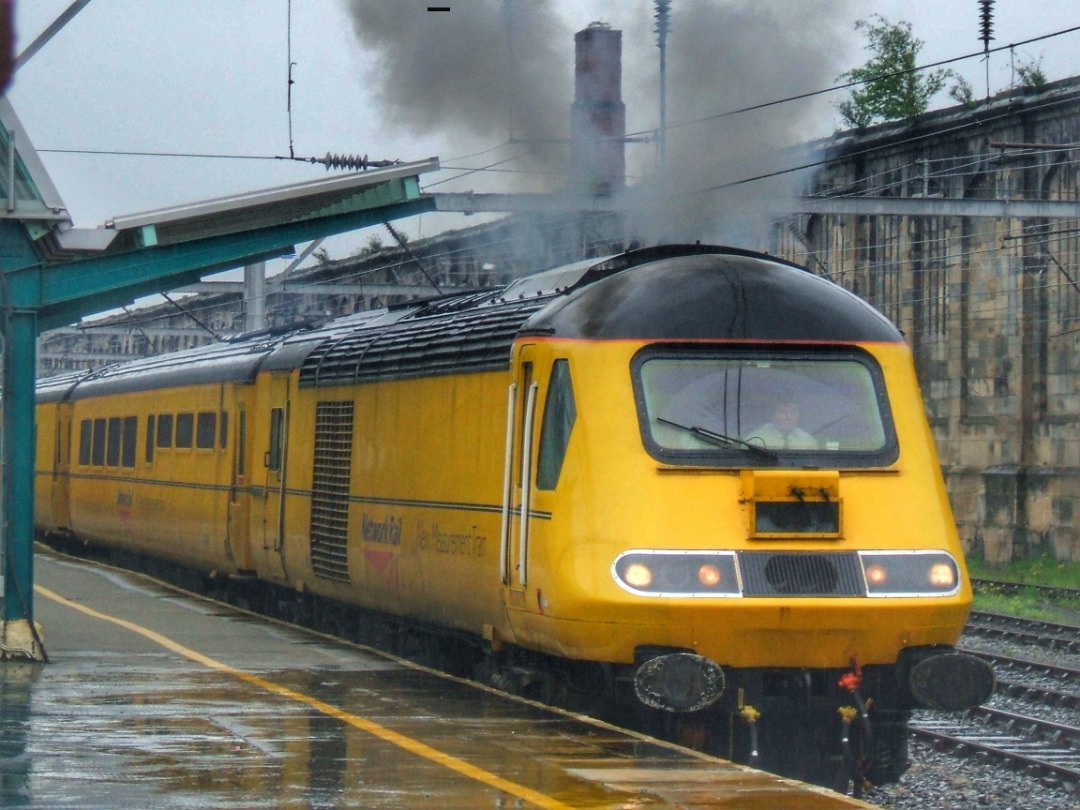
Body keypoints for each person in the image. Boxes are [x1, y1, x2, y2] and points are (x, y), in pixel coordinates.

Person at [747, 401, 817, 450]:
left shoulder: (808, 440)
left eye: (793, 413)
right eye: (783, 412)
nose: (789, 417)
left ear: (799, 416)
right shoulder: (755, 439)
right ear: (773, 415)